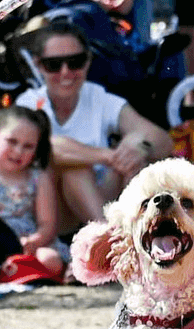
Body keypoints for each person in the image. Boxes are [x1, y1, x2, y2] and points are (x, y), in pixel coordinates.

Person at [13, 23, 172, 232]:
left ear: (87, 61)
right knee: (75, 171)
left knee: (135, 150)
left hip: (98, 199)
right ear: (39, 66)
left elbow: (163, 141)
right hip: (50, 214)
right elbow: (43, 148)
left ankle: (132, 233)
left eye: (75, 62)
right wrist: (108, 156)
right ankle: (110, 238)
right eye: (53, 64)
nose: (65, 72)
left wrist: (138, 147)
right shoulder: (29, 103)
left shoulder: (99, 97)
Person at [0, 106, 61, 279]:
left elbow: (48, 225)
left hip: (31, 248)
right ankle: (14, 273)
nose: (18, 152)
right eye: (12, 141)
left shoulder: (39, 178)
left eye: (28, 146)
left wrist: (34, 241)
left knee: (51, 259)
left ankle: (26, 273)